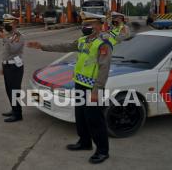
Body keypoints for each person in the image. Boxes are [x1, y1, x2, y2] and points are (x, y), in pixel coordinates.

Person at [27, 12, 112, 164]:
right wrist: (42, 46)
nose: (86, 26)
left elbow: (104, 68)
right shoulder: (83, 40)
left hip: (93, 88)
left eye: (90, 23)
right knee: (81, 116)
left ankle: (102, 150)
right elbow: (64, 46)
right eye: (85, 23)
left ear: (99, 25)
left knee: (94, 119)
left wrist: (96, 91)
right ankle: (84, 142)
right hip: (79, 84)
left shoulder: (103, 43)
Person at [0, 19, 24, 123]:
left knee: (15, 91)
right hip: (7, 66)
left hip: (15, 67)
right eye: (5, 23)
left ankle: (18, 114)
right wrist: (2, 66)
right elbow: (6, 53)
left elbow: (14, 49)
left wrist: (4, 38)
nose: (6, 25)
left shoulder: (19, 36)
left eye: (9, 23)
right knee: (8, 90)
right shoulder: (9, 35)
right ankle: (14, 110)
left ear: (14, 24)